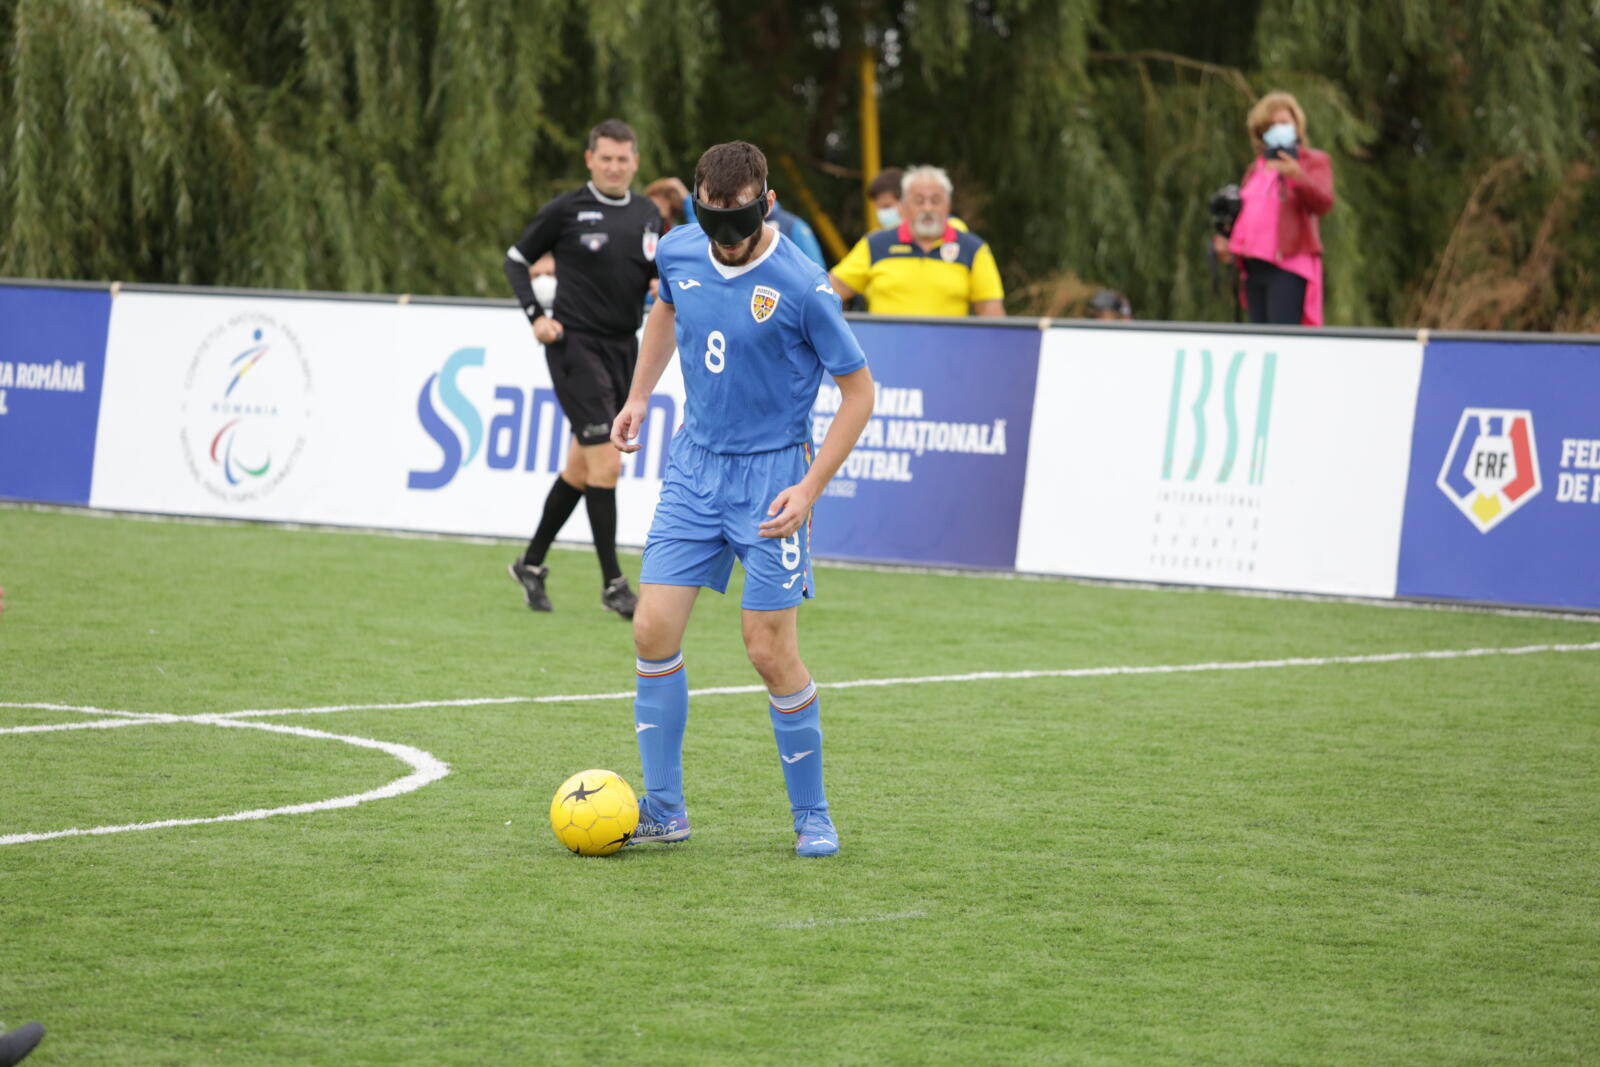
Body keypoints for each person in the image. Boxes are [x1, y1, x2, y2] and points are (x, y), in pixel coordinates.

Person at [610, 140, 875, 858]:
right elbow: (665, 312)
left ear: (768, 204)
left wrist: (809, 487)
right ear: (696, 204)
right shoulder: (678, 250)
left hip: (772, 479)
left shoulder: (803, 284)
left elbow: (859, 393)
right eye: (713, 218)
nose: (726, 236)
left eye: (740, 219)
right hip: (694, 468)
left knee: (768, 650)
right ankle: (664, 808)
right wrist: (639, 396)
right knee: (651, 630)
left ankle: (812, 814)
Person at [501, 118, 662, 618]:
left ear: (635, 162)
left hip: (624, 349)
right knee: (607, 463)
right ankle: (614, 584)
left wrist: (661, 285)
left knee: (581, 468)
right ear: (590, 159)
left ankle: (530, 564)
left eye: (622, 159)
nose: (614, 167)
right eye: (605, 158)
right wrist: (537, 316)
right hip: (575, 348)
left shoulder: (648, 213)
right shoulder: (566, 209)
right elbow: (515, 260)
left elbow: (656, 273)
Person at [1212, 91, 1335, 325]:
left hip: (1288, 264)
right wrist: (1227, 238)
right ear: (1261, 133)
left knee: (1281, 337)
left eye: (1283, 122)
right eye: (1270, 125)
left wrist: (1297, 176)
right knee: (1259, 338)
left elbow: (1324, 201)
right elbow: (1248, 216)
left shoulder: (1312, 161)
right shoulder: (1256, 168)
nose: (1278, 129)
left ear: (1297, 125)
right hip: (1253, 268)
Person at [828, 165, 1004, 317]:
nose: (927, 208)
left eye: (935, 201)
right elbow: (829, 291)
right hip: (886, 346)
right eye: (919, 201)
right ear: (904, 206)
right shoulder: (874, 244)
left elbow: (991, 313)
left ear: (948, 206)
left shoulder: (973, 249)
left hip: (949, 346)